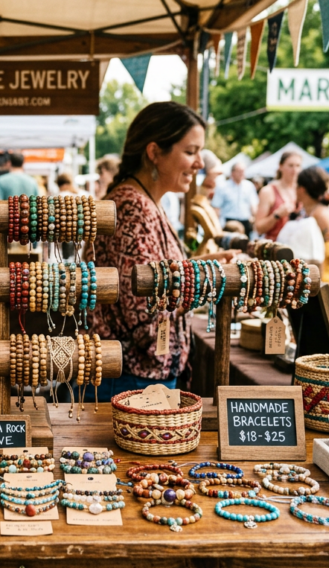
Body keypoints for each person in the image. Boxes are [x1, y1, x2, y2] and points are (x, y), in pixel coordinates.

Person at [89, 101, 236, 399]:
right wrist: (205, 280)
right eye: (191, 152)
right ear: (155, 152)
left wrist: (200, 265)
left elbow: (156, 276)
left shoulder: (145, 202)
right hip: (128, 381)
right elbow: (142, 310)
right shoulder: (131, 208)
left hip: (140, 377)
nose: (199, 164)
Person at [295, 166, 329, 293]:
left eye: (296, 186)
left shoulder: (321, 213)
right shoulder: (312, 210)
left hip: (326, 278)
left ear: (302, 189)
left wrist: (321, 282)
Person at [253, 151, 302, 241]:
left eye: (298, 166)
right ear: (280, 166)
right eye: (290, 165)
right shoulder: (268, 191)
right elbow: (258, 228)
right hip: (276, 248)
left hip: (299, 247)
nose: (295, 170)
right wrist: (277, 215)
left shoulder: (302, 190)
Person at [211, 162, 258, 236]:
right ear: (232, 173)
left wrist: (256, 220)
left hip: (245, 222)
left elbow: (254, 206)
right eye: (239, 171)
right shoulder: (223, 186)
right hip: (229, 223)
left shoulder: (249, 186)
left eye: (243, 171)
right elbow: (216, 208)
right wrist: (216, 226)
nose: (241, 173)